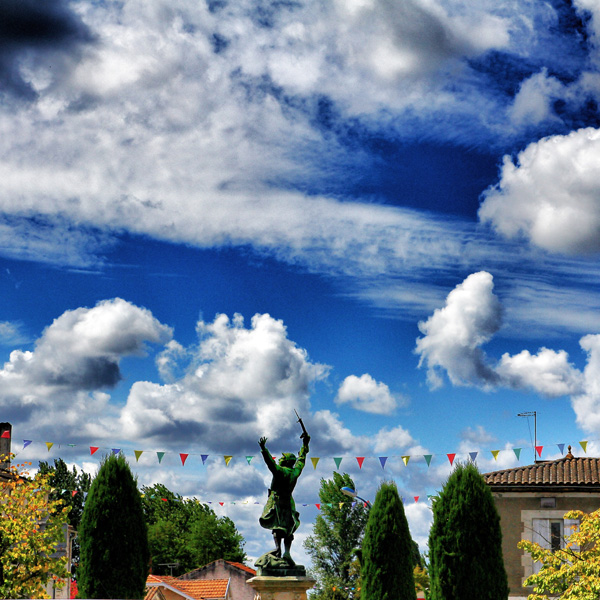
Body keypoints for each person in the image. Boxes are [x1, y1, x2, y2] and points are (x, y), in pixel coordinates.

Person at [258, 433, 310, 566]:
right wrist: (304, 446)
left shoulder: (280, 471)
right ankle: (287, 552)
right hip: (289, 502)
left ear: (286, 461)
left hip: (278, 501)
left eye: (282, 458)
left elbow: (270, 463)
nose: (280, 459)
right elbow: (301, 461)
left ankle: (279, 550)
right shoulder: (295, 472)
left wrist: (264, 449)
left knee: (278, 527)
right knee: (288, 528)